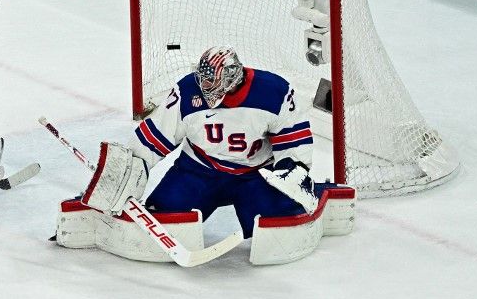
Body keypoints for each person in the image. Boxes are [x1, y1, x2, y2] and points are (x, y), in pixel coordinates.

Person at [82, 46, 314, 240]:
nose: (204, 86)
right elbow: (156, 136)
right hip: (199, 170)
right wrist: (125, 175)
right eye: (202, 79)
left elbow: (292, 140)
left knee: (277, 226)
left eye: (211, 80)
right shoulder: (186, 91)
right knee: (163, 218)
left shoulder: (274, 92)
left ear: (231, 77)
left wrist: (291, 173)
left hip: (256, 174)